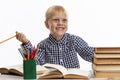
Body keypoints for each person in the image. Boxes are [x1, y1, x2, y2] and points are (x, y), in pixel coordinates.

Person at [16, 5, 95, 68]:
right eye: (56, 20)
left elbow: (88, 53)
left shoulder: (74, 40)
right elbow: (36, 63)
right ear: (47, 24)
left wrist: (105, 56)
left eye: (64, 20)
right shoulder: (43, 45)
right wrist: (26, 42)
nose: (60, 23)